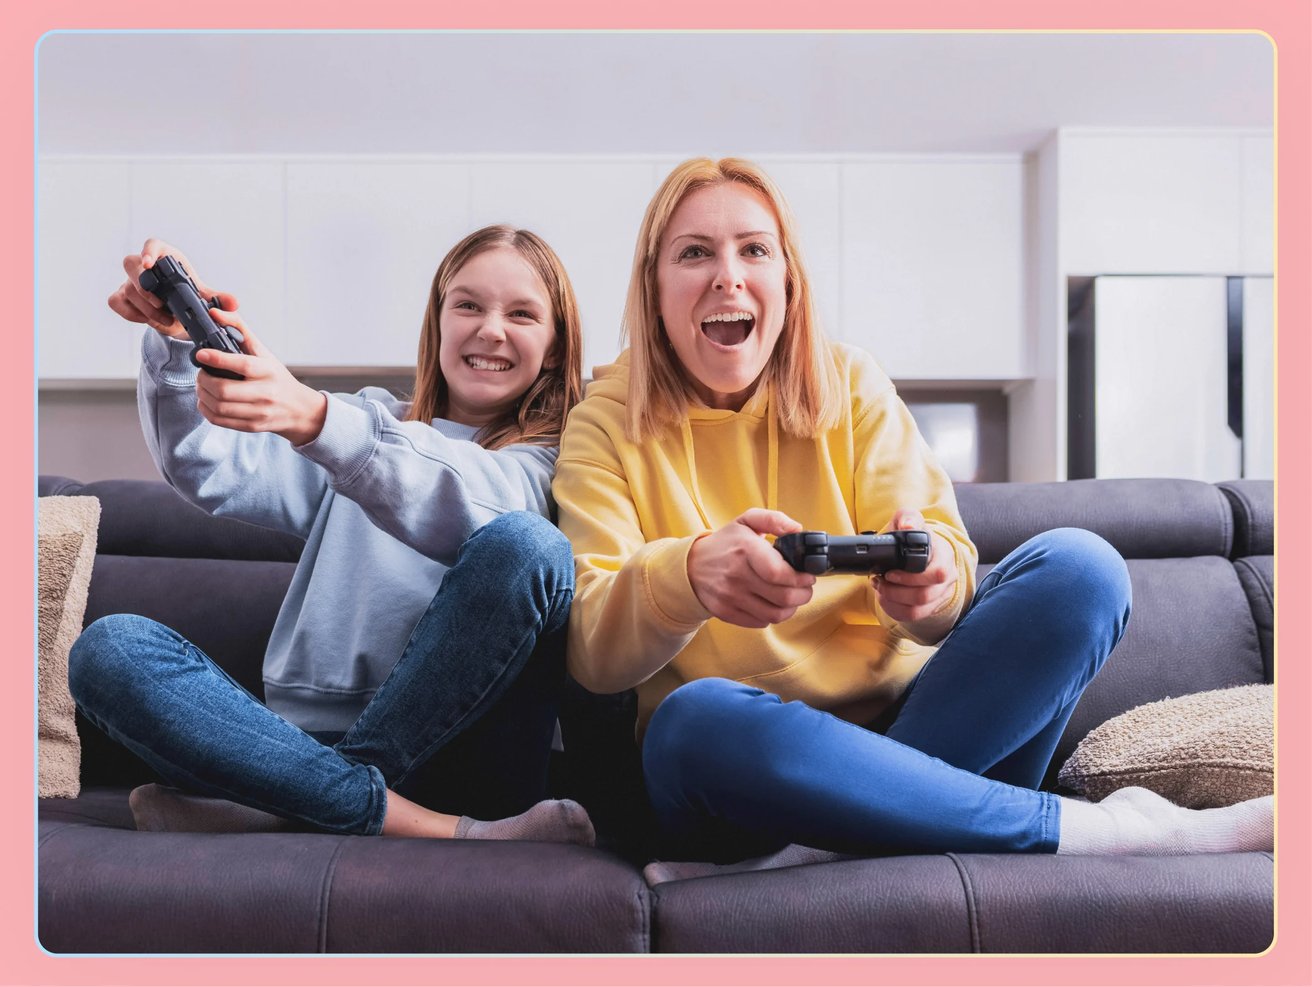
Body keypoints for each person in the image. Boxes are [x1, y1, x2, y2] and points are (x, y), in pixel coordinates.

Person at [552, 158, 1273, 867]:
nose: (728, 275)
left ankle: (834, 840)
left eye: (754, 249)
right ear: (652, 289)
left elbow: (946, 564)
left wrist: (931, 592)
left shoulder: (850, 384)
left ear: (787, 281)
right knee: (694, 719)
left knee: (1082, 567)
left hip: (921, 734)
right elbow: (590, 654)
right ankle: (1102, 830)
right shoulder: (605, 421)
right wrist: (687, 577)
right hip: (742, 779)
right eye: (694, 253)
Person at [68, 226, 595, 845]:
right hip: (298, 742)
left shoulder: (559, 461)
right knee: (111, 647)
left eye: (522, 314)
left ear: (557, 349)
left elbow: (471, 502)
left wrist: (314, 418)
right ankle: (387, 815)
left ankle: (288, 807)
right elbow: (209, 468)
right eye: (469, 305)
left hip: (469, 749)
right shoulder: (363, 422)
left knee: (529, 545)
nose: (490, 329)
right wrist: (180, 343)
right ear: (439, 322)